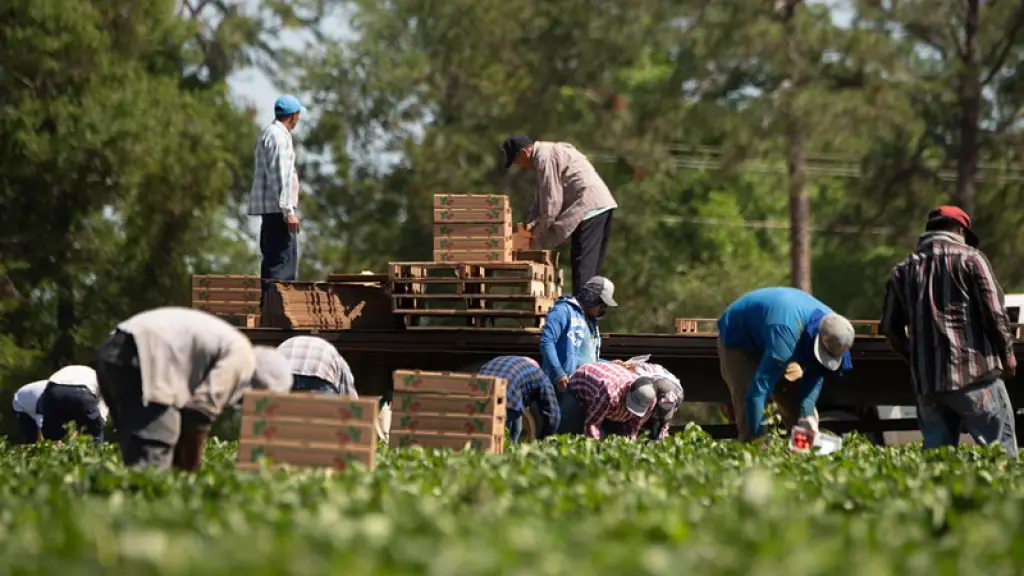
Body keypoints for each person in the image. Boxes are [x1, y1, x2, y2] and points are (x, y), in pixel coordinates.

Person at [881, 206, 1018, 457]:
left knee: (937, 464)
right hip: (976, 378)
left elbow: (890, 327)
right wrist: (1007, 354)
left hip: (929, 385)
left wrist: (915, 358)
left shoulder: (902, 270)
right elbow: (994, 313)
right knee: (1001, 456)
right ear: (959, 230)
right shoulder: (971, 259)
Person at [94, 307, 294, 472]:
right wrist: (191, 471)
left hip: (115, 350)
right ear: (259, 385)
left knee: (140, 448)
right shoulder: (243, 358)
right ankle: (149, 512)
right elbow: (199, 413)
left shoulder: (228, 344)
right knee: (155, 454)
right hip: (142, 355)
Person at [717, 287, 855, 442]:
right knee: (748, 403)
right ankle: (754, 453)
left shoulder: (836, 333)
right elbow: (758, 390)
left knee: (796, 404)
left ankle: (801, 454)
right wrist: (758, 439)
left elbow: (814, 378)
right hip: (740, 338)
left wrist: (807, 416)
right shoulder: (786, 334)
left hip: (776, 331)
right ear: (817, 339)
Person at [502, 135, 618, 295]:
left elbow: (551, 205)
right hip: (602, 204)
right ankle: (591, 316)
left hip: (590, 206)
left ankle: (582, 315)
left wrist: (535, 235)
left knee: (583, 269)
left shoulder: (544, 158)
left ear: (523, 153)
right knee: (592, 271)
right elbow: (541, 200)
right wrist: (528, 224)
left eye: (516, 162)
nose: (520, 167)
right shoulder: (547, 153)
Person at [248, 94, 308, 305]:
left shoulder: (268, 133)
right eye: (298, 116)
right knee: (283, 264)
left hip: (271, 212)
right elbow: (280, 176)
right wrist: (288, 212)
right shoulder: (279, 137)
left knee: (273, 262)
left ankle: (269, 309)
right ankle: (278, 311)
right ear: (293, 116)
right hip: (279, 213)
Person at [539, 276, 617, 398]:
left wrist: (612, 364)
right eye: (601, 303)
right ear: (592, 297)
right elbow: (547, 342)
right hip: (560, 387)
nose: (603, 309)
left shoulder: (590, 322)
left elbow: (589, 359)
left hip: (581, 389)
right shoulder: (563, 310)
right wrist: (559, 373)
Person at [558, 362, 656, 440]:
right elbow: (592, 424)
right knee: (570, 430)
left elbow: (633, 427)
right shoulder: (609, 391)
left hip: (605, 399)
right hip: (580, 387)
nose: (631, 411)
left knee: (612, 436)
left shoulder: (650, 400)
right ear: (628, 391)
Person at [476, 355, 560, 444]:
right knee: (505, 441)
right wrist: (544, 439)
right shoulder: (540, 375)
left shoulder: (504, 360)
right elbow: (553, 416)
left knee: (481, 435)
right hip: (507, 396)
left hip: (480, 391)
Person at [37, 365, 109, 444]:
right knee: (95, 429)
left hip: (52, 391)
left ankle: (53, 450)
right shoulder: (102, 380)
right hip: (80, 393)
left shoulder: (87, 372)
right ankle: (96, 453)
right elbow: (101, 412)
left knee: (53, 433)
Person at [277, 335, 356, 396]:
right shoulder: (338, 360)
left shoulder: (286, 344)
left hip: (286, 370)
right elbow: (349, 398)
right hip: (318, 372)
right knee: (322, 414)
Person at [11, 380, 47, 444]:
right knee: (33, 440)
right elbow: (41, 431)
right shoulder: (44, 401)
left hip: (35, 399)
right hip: (21, 403)